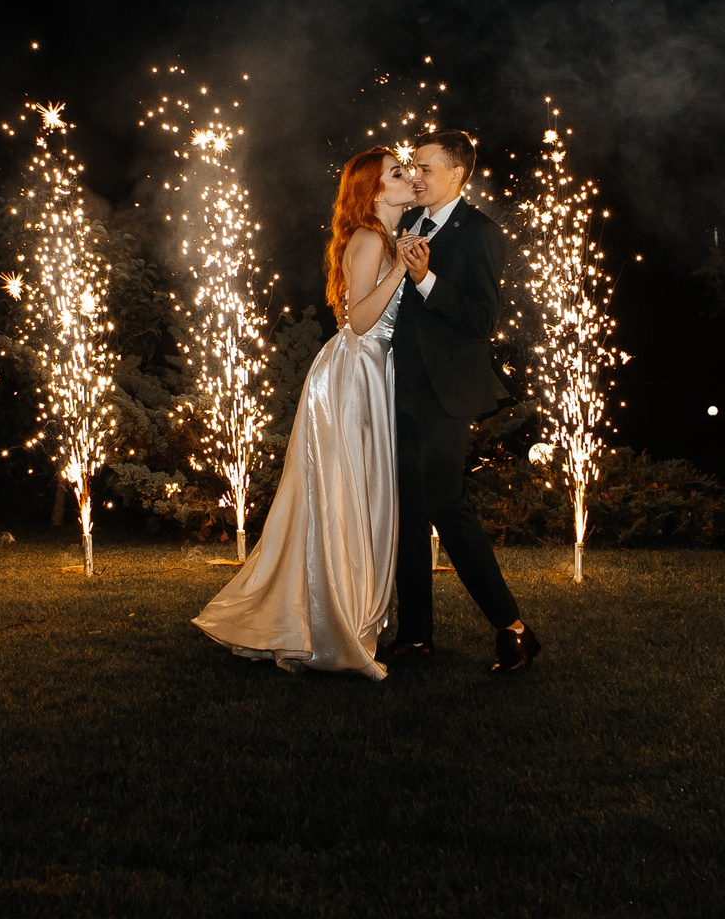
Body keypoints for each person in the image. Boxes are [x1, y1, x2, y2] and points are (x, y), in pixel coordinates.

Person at [192, 147, 414, 677]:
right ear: (375, 190)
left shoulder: (388, 239)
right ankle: (324, 621)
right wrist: (400, 270)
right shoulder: (367, 240)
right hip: (351, 378)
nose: (411, 179)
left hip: (373, 375)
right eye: (398, 174)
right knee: (342, 496)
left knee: (364, 496)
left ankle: (345, 614)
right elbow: (358, 320)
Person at [384, 128, 541, 674]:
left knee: (447, 508)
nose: (415, 177)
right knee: (404, 513)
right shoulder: (405, 224)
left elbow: (480, 320)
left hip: (446, 394)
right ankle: (415, 636)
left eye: (425, 168)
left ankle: (512, 628)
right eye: (413, 168)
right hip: (398, 387)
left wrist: (426, 278)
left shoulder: (481, 234)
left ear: (457, 173)